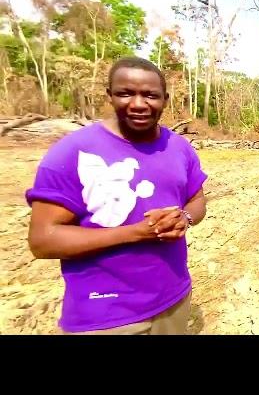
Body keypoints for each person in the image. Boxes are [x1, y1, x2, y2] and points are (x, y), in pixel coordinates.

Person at [25, 57, 207, 335]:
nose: (138, 103)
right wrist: (135, 233)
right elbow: (42, 241)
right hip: (106, 316)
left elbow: (197, 200)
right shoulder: (72, 152)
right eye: (125, 93)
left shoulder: (179, 147)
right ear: (109, 95)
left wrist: (185, 217)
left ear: (165, 99)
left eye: (149, 95)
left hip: (174, 300)